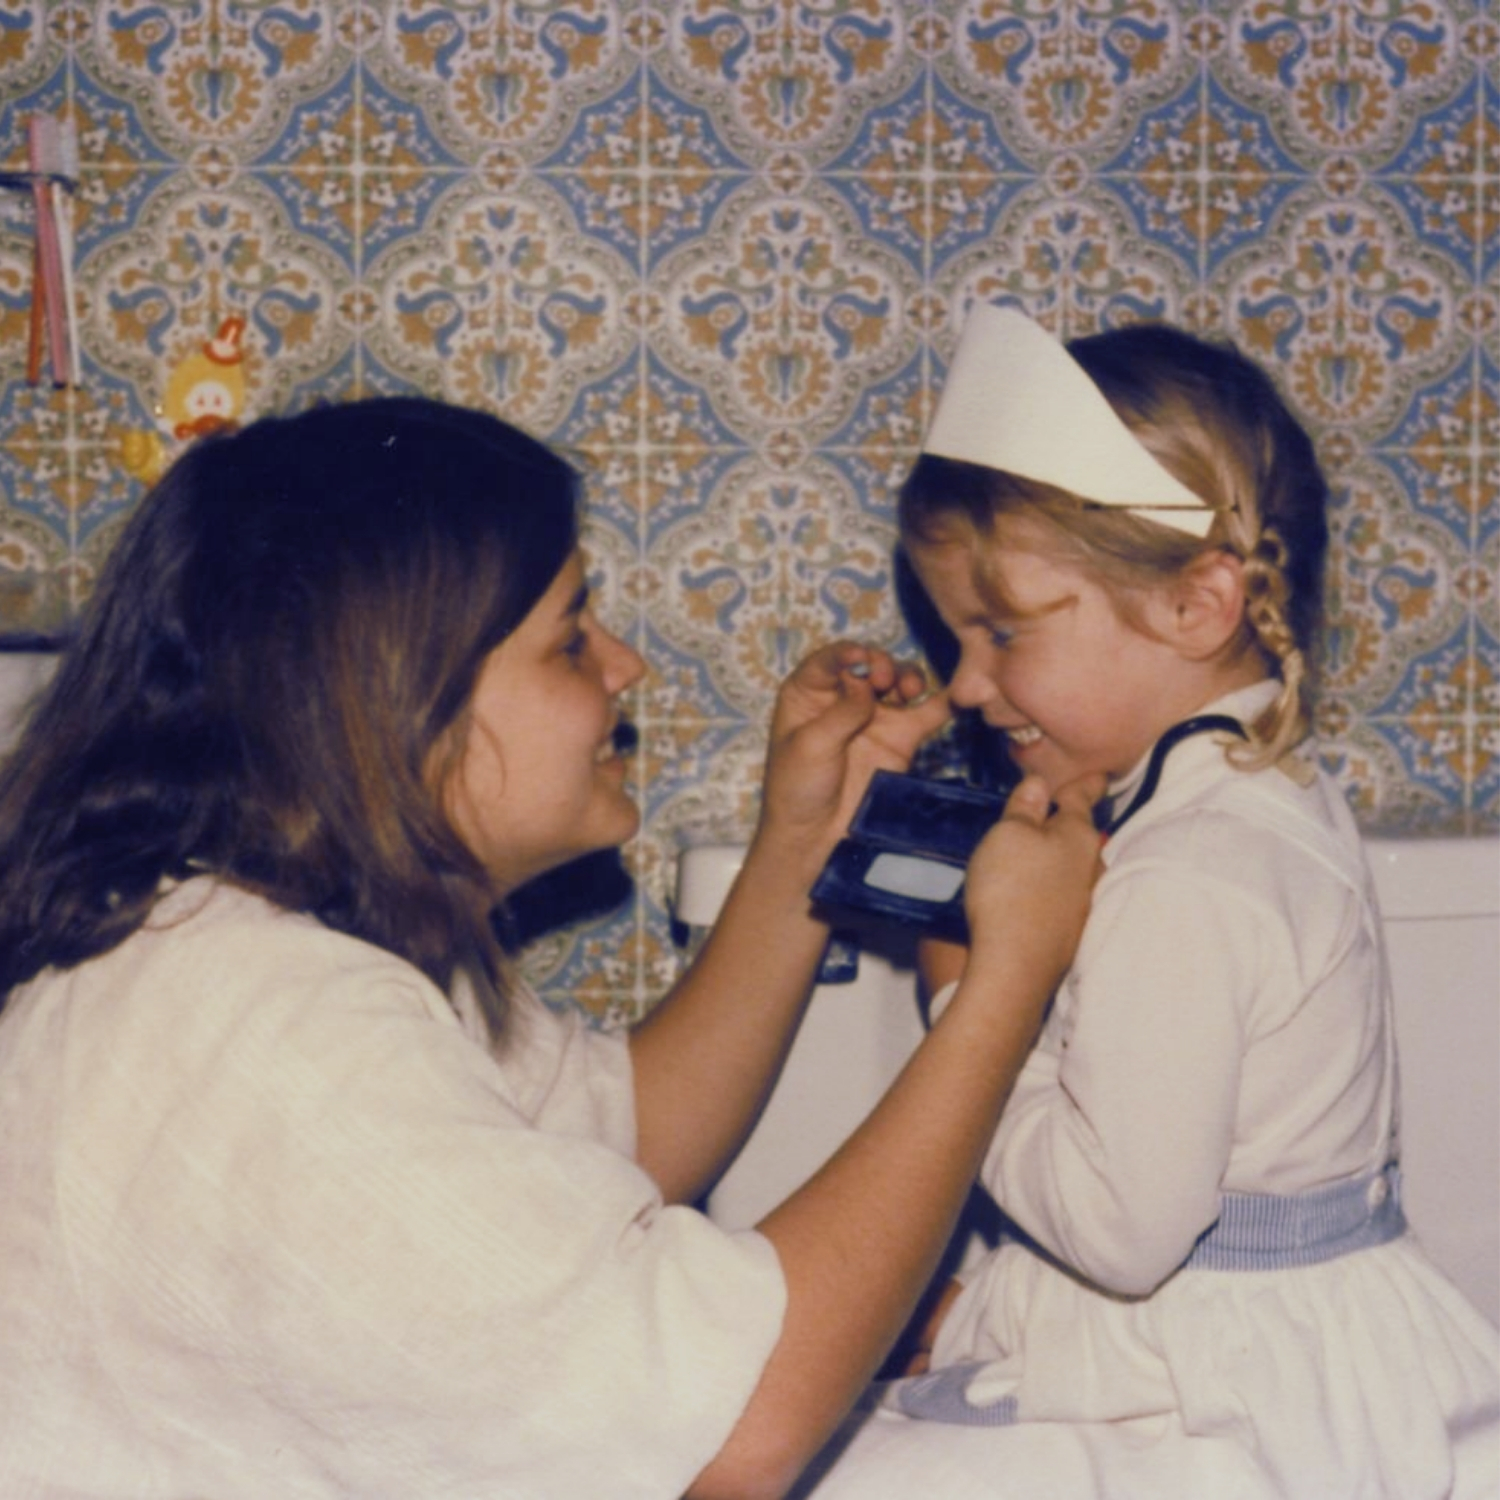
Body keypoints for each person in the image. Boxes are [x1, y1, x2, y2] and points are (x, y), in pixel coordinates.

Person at [0, 395, 1104, 1499]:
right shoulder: (271, 1037)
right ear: (399, 698)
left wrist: (805, 840)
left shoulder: (234, 947)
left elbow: (632, 1132)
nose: (622, 667)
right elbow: (738, 1433)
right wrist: (1004, 981)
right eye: (571, 637)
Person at [797, 306, 1500, 1499]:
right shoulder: (1254, 793)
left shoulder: (1185, 872)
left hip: (1197, 1393)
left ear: (1196, 604)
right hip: (1267, 1338)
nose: (968, 684)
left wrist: (976, 1001)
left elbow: (1123, 1233)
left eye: (1002, 630)